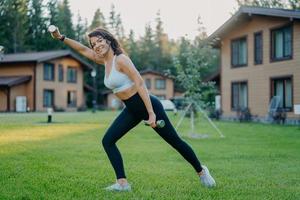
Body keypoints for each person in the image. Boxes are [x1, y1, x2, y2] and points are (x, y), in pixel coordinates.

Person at [49, 26, 216, 191]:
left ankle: (202, 171)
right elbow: (83, 50)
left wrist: (151, 114)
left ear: (108, 40)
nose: (97, 45)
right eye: (94, 44)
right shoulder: (104, 60)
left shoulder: (121, 59)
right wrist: (61, 37)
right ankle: (122, 184)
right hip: (131, 109)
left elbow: (140, 83)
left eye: (99, 40)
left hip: (148, 105)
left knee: (175, 142)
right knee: (108, 141)